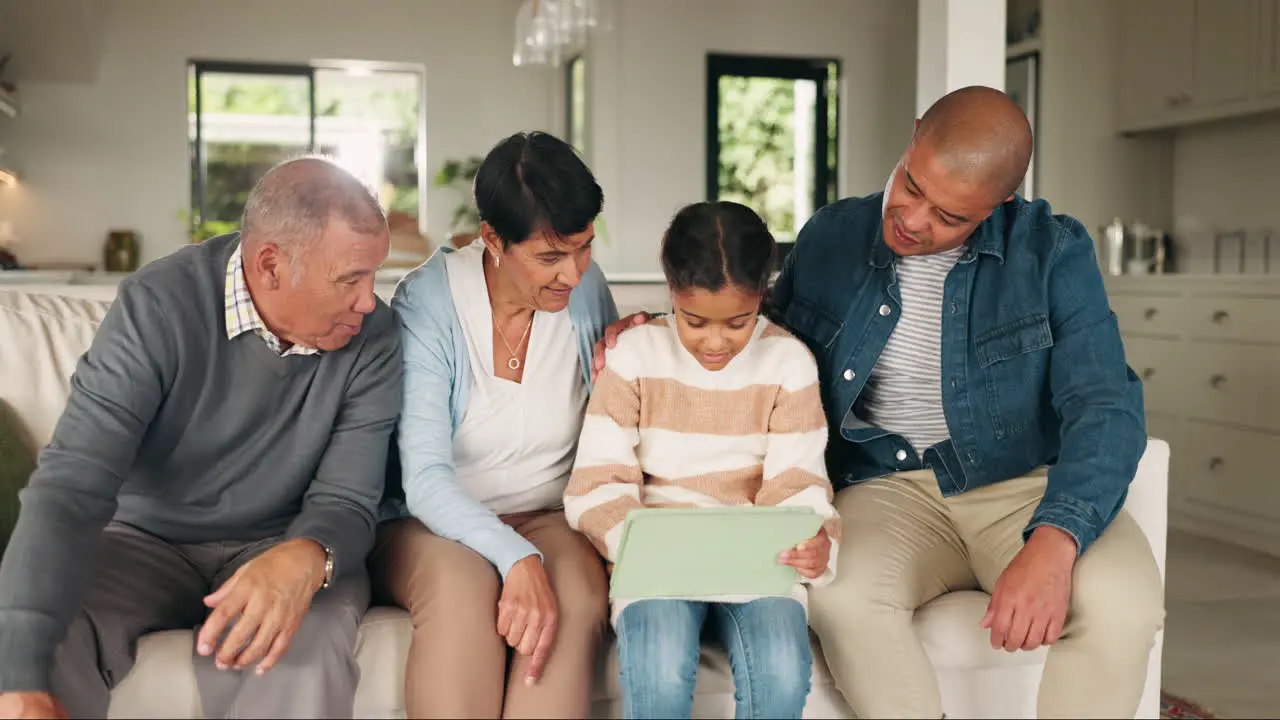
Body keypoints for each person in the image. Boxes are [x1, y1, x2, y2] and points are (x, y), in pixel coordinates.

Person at [594, 86, 1164, 719]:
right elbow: (760, 339)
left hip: (1023, 485)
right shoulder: (833, 236)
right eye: (913, 186)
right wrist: (658, 328)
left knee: (1124, 605)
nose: (915, 220)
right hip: (886, 487)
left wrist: (1056, 541)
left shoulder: (1052, 251)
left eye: (950, 217)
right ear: (914, 134)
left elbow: (1105, 404)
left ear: (1001, 203)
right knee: (841, 594)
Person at [0, 157, 402, 720]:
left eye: (373, 277)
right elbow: (72, 486)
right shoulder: (157, 306)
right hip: (143, 541)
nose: (369, 301)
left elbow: (348, 499)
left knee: (303, 650)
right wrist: (17, 676)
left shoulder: (374, 337)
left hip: (282, 541)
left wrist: (307, 554)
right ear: (269, 265)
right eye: (350, 279)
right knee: (45, 642)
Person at [372, 131, 616, 719]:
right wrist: (515, 558)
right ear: (492, 240)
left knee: (578, 596)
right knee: (462, 593)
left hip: (550, 514)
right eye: (550, 257)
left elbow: (614, 420)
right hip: (433, 521)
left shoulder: (584, 293)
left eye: (583, 248)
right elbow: (425, 478)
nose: (573, 273)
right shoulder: (428, 304)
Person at [565, 201, 840, 720]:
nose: (715, 342)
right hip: (656, 560)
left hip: (759, 563)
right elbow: (596, 484)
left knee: (782, 672)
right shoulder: (635, 355)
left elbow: (800, 486)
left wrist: (815, 543)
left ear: (763, 295)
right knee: (660, 669)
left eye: (739, 322)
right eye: (694, 322)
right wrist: (635, 543)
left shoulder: (789, 362)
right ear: (671, 292)